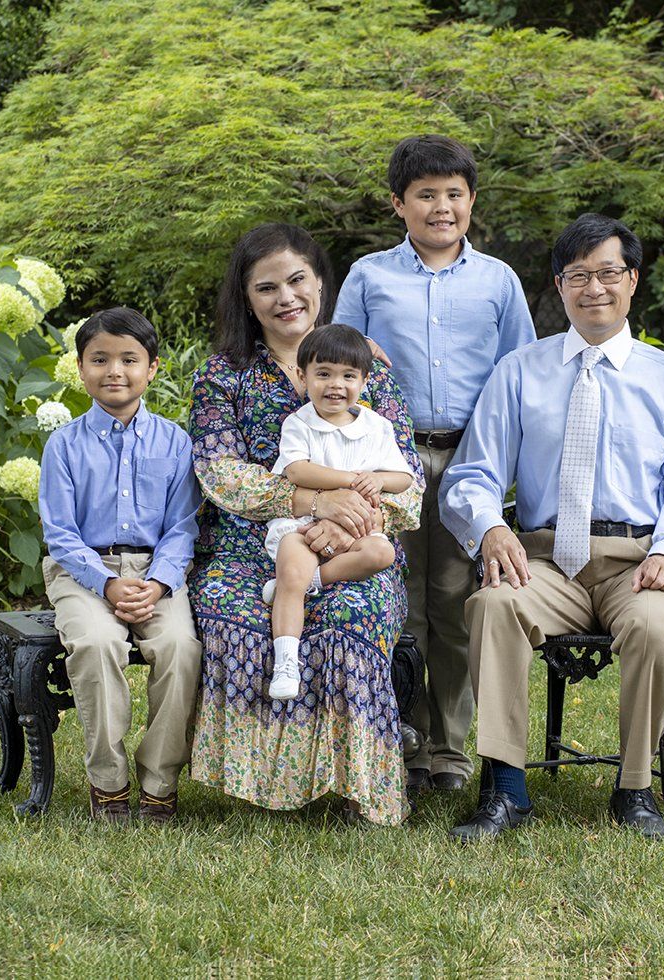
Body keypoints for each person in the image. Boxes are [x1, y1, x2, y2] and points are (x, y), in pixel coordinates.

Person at [439, 213, 664, 840]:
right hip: (543, 561)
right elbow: (472, 474)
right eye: (577, 276)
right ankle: (505, 789)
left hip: (636, 558)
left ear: (632, 280)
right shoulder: (519, 372)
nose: (595, 289)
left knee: (652, 626)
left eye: (608, 273)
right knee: (492, 607)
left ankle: (636, 788)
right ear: (559, 287)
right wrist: (488, 530)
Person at [188, 223, 423, 827]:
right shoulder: (223, 375)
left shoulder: (365, 363)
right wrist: (310, 505)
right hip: (251, 547)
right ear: (247, 298)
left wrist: (348, 521)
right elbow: (219, 474)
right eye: (266, 288)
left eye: (297, 280)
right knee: (230, 612)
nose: (286, 297)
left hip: (357, 540)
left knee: (350, 617)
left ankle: (357, 786)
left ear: (320, 282)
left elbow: (409, 485)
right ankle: (262, 782)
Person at [335, 134, 536, 794]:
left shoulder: (497, 281)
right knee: (396, 602)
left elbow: (519, 375)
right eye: (426, 195)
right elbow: (336, 361)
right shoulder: (369, 276)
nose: (441, 207)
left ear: (472, 200)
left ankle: (450, 752)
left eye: (454, 194)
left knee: (453, 603)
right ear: (399, 204)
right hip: (387, 457)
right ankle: (403, 743)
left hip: (469, 456)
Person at [39, 307, 202, 824]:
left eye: (129, 359)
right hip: (82, 572)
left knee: (180, 647)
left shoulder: (175, 442)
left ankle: (160, 780)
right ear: (81, 369)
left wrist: (157, 583)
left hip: (157, 572)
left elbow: (183, 527)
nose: (115, 370)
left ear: (152, 368)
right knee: (96, 642)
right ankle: (107, 781)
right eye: (100, 359)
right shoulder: (63, 445)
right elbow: (61, 534)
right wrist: (108, 584)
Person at [262, 323, 415, 699]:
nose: (336, 385)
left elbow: (404, 477)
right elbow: (297, 470)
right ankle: (286, 659)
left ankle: (312, 580)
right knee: (293, 558)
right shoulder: (300, 423)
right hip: (303, 525)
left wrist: (378, 482)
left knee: (382, 552)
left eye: (348, 376)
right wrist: (350, 480)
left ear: (364, 381)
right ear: (303, 376)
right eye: (323, 374)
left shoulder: (376, 426)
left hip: (357, 531)